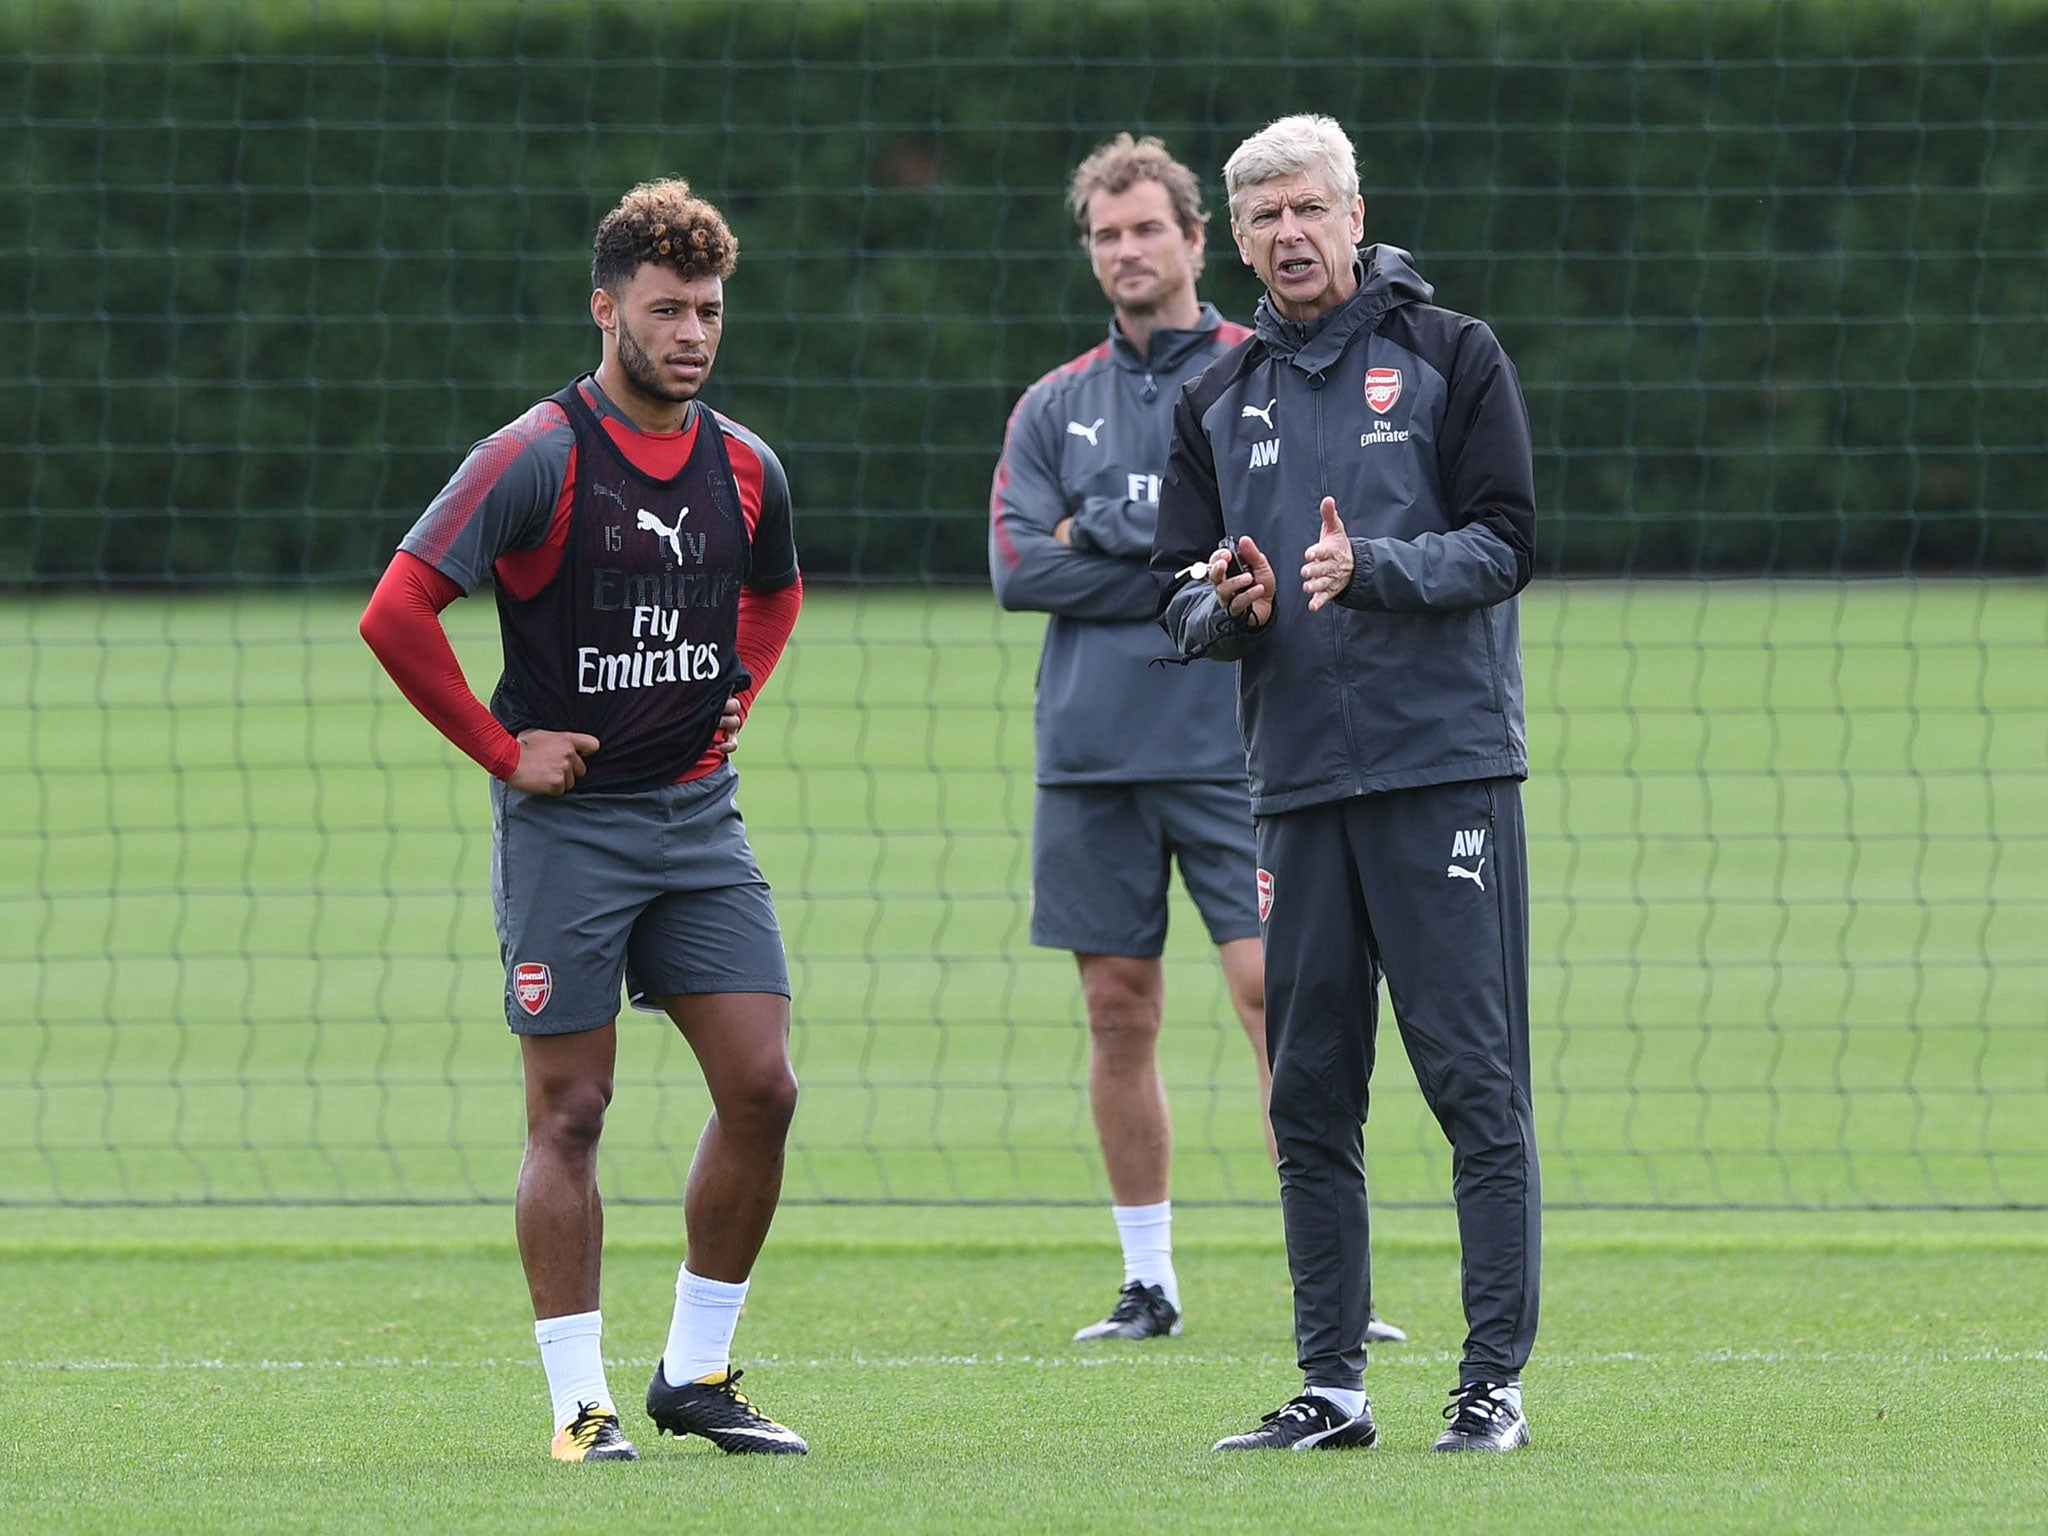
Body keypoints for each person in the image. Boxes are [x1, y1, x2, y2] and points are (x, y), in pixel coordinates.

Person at [360, 178, 809, 1463]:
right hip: (572, 836)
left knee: (764, 1089)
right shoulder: (534, 457)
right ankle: (579, 1404)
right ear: (604, 308)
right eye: (665, 309)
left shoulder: (743, 464)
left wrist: (733, 698)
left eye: (708, 310)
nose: (691, 333)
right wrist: (504, 750)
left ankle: (696, 1372)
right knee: (572, 1111)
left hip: (699, 824)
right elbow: (395, 610)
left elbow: (773, 597)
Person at [1152, 115, 1540, 1453]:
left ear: (1356, 213)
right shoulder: (1218, 390)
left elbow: (1505, 541)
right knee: (1306, 1090)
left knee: (1475, 1087)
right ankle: (1332, 1387)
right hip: (1298, 786)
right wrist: (1232, 603)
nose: (1288, 234)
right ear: (1240, 237)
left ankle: (1491, 1385)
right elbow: (1180, 596)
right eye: (1261, 217)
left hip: (1443, 774)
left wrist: (1379, 567)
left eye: (1308, 208)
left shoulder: (1452, 354)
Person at [991, 133, 1405, 1347]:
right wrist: (1177, 557)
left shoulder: (1255, 370)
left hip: (1238, 747)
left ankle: (1332, 1287)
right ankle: (1148, 1281)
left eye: (1146, 230)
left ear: (1194, 239)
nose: (1126, 251)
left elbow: (1270, 549)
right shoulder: (1052, 403)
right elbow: (1019, 569)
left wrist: (1110, 532)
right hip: (1090, 754)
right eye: (1104, 235)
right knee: (1117, 1010)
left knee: (1276, 999)